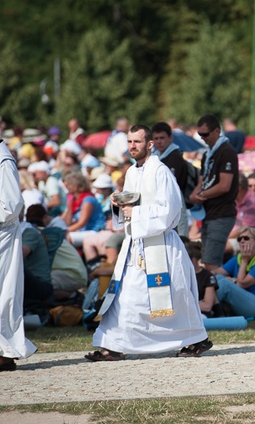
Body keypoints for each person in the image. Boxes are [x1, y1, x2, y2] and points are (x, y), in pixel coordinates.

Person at [86, 124, 211, 362]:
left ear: (150, 144)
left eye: (137, 142)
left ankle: (195, 338)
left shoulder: (161, 171)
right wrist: (118, 204)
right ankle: (112, 344)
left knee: (175, 297)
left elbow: (170, 210)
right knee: (126, 295)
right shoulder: (132, 172)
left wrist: (137, 213)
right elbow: (130, 205)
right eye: (130, 142)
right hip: (136, 244)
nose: (132, 146)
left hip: (160, 246)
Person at [0, 139, 37, 371]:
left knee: (4, 292)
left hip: (3, 236)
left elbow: (11, 205)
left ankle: (5, 351)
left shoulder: (3, 161)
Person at [189, 114, 239, 275]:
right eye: (200, 134)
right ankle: (215, 295)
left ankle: (235, 288)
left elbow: (224, 186)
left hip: (222, 213)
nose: (202, 138)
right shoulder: (207, 154)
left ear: (217, 131)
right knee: (206, 259)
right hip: (208, 213)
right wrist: (194, 194)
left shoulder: (227, 151)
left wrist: (202, 195)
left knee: (210, 263)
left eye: (205, 134)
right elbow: (202, 180)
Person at [217, 226, 255, 318]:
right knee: (217, 278)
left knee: (225, 284)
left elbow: (242, 283)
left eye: (246, 238)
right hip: (245, 301)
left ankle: (204, 309)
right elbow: (217, 272)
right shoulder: (238, 258)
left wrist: (244, 261)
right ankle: (205, 307)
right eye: (240, 239)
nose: (242, 241)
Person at [151, 122, 190, 235]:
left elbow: (170, 182)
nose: (159, 141)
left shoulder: (175, 156)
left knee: (181, 237)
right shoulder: (155, 157)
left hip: (176, 200)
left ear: (170, 138)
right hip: (161, 203)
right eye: (156, 138)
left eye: (162, 138)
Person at [61, 171, 107, 248]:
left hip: (94, 230)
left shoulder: (88, 200)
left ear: (75, 186)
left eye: (68, 184)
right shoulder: (73, 199)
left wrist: (64, 231)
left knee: (66, 237)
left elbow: (82, 223)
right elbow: (67, 221)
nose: (66, 186)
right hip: (83, 230)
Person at [184, 240, 223, 318]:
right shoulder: (182, 275)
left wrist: (184, 306)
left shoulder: (208, 276)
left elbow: (207, 306)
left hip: (201, 314)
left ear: (193, 261)